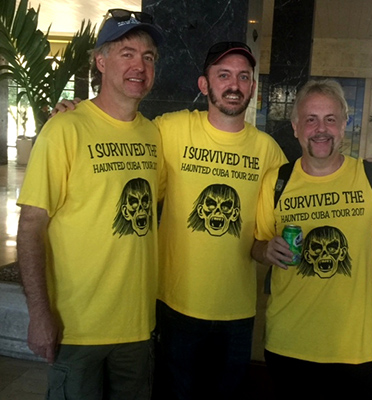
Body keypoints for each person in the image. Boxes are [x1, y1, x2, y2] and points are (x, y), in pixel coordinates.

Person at [52, 41, 287, 399]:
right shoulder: (169, 130)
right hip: (174, 307)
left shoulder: (269, 152)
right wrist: (76, 113)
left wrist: (365, 172)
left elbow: (263, 236)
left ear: (253, 87)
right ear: (204, 85)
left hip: (237, 315)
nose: (234, 85)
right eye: (224, 75)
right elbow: (119, 126)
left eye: (243, 77)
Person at [17, 10, 164, 400]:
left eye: (148, 57)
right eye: (127, 54)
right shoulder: (65, 128)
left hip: (137, 327)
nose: (139, 66)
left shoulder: (153, 135)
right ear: (100, 61)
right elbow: (31, 225)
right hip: (77, 329)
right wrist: (39, 314)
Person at [251, 79, 372, 400]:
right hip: (288, 343)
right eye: (311, 119)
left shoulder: (371, 177)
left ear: (344, 124)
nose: (320, 129)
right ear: (296, 127)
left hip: (354, 347)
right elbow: (256, 246)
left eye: (330, 119)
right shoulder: (276, 181)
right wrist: (265, 250)